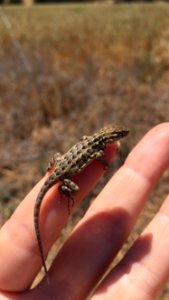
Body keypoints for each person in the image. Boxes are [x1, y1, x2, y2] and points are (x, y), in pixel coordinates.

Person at [0, 123, 168, 300]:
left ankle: (58, 181)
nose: (121, 137)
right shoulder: (98, 151)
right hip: (64, 176)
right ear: (109, 138)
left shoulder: (89, 139)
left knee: (57, 159)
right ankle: (64, 191)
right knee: (74, 188)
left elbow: (82, 143)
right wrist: (104, 163)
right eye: (119, 134)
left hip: (58, 167)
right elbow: (99, 158)